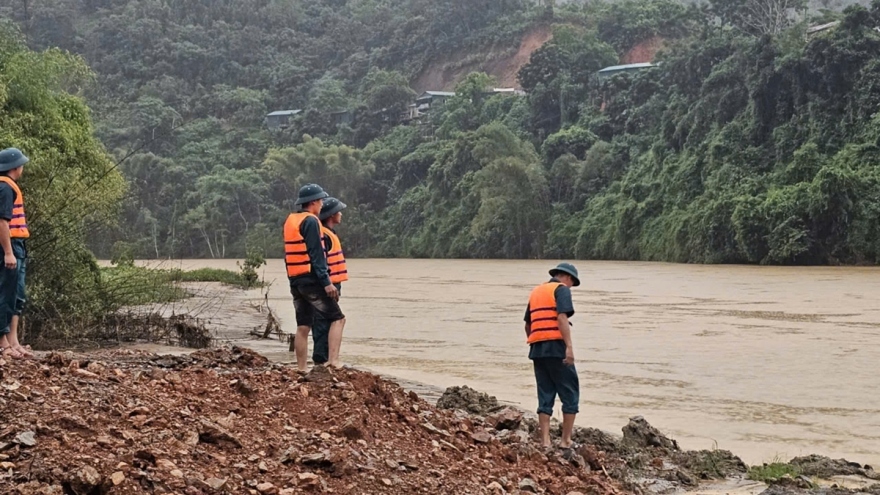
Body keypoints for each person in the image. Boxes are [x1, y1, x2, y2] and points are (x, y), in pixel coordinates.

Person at [284, 184, 345, 371]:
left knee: (303, 325)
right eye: (320, 201)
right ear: (312, 202)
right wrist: (326, 282)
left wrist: (294, 281)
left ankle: (301, 369)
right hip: (312, 281)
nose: (321, 204)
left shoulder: (291, 220)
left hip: (296, 281)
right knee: (338, 318)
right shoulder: (311, 222)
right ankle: (332, 360)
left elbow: (289, 255)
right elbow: (316, 254)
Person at [524, 262, 581, 450]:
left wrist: (535, 341)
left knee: (545, 393)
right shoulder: (562, 290)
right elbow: (561, 318)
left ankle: (546, 441)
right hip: (556, 348)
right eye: (573, 282)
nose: (571, 286)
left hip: (537, 350)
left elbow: (527, 325)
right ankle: (565, 441)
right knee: (570, 393)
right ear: (567, 277)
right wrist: (569, 348)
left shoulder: (536, 292)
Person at [0, 148, 32, 359]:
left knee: (17, 294)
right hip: (9, 245)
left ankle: (13, 340)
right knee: (5, 293)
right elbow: (2, 221)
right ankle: (3, 342)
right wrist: (8, 252)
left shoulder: (9, 187)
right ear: (15, 167)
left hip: (18, 244)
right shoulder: (4, 188)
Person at [311, 197, 348, 365]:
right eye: (338, 211)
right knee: (325, 320)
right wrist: (326, 284)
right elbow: (320, 261)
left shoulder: (328, 233)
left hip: (331, 283)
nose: (340, 214)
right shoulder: (323, 235)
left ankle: (324, 358)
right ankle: (324, 359)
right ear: (331, 215)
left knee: (325, 320)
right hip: (326, 284)